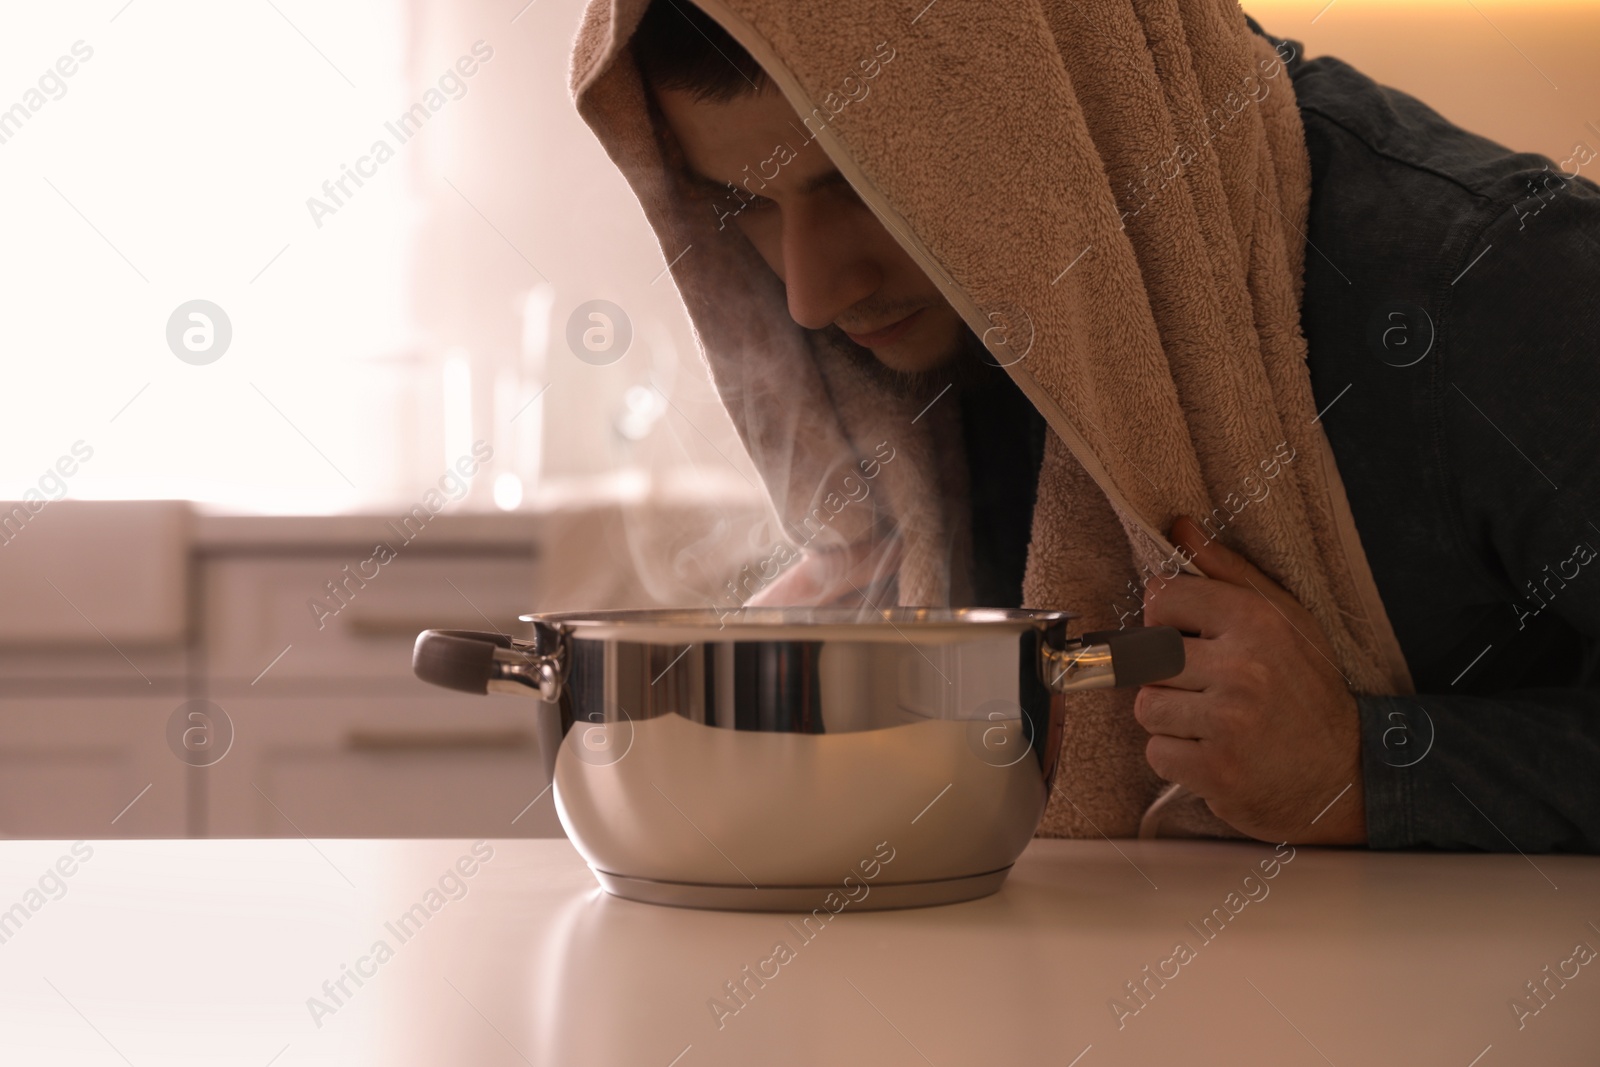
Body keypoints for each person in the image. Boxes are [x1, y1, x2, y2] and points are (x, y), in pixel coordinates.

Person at [576, 0, 1600, 851]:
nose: (807, 292)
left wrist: (1367, 764)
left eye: (857, 180)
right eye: (742, 203)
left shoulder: (1488, 277)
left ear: (1042, 109)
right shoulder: (895, 377)